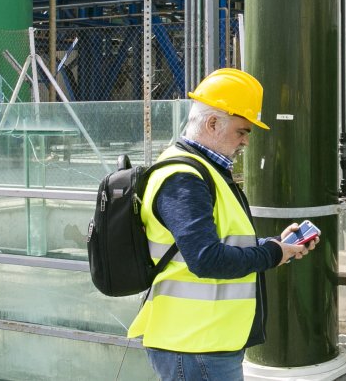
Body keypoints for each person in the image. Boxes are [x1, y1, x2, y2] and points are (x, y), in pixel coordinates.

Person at [128, 68, 318, 380]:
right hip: (193, 345)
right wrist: (271, 254)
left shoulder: (204, 172)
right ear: (213, 122)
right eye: (242, 131)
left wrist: (275, 246)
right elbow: (206, 259)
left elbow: (216, 246)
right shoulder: (183, 179)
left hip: (205, 342)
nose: (245, 141)